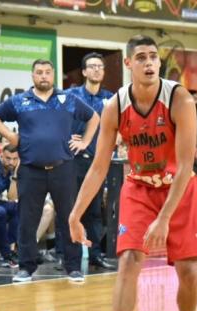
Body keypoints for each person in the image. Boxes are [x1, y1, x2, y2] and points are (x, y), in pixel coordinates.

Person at [68, 35, 197, 311]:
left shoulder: (179, 99)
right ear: (128, 63)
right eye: (141, 57)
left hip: (180, 189)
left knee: (189, 271)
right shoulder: (114, 106)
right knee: (129, 261)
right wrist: (74, 214)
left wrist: (164, 218)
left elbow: (186, 165)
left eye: (153, 57)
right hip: (140, 188)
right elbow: (99, 166)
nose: (149, 63)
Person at [0, 59, 100, 283]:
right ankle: (25, 268)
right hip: (31, 170)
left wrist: (85, 142)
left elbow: (94, 118)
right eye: (39, 72)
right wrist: (10, 136)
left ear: (53, 74)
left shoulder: (67, 99)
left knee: (69, 218)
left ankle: (73, 267)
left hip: (63, 168)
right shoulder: (20, 101)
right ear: (33, 76)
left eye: (47, 72)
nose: (44, 76)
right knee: (27, 220)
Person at [67, 52, 115, 270]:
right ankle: (66, 255)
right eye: (92, 66)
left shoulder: (110, 99)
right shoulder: (71, 95)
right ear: (84, 72)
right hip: (73, 160)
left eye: (100, 66)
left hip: (96, 163)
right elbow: (57, 119)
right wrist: (67, 137)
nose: (97, 69)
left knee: (95, 211)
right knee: (69, 209)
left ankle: (95, 255)